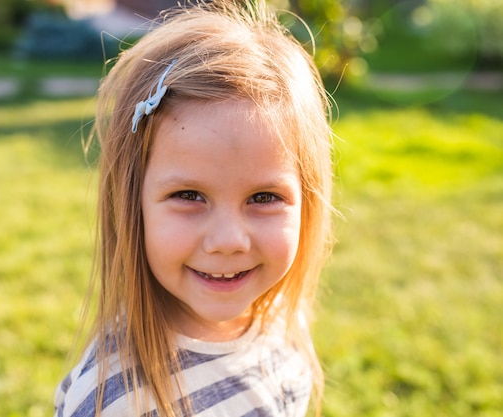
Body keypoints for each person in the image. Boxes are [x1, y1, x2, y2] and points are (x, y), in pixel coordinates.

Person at [54, 0, 334, 416]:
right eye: (189, 196)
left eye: (263, 198)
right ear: (134, 203)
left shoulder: (281, 324)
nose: (228, 241)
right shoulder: (113, 398)